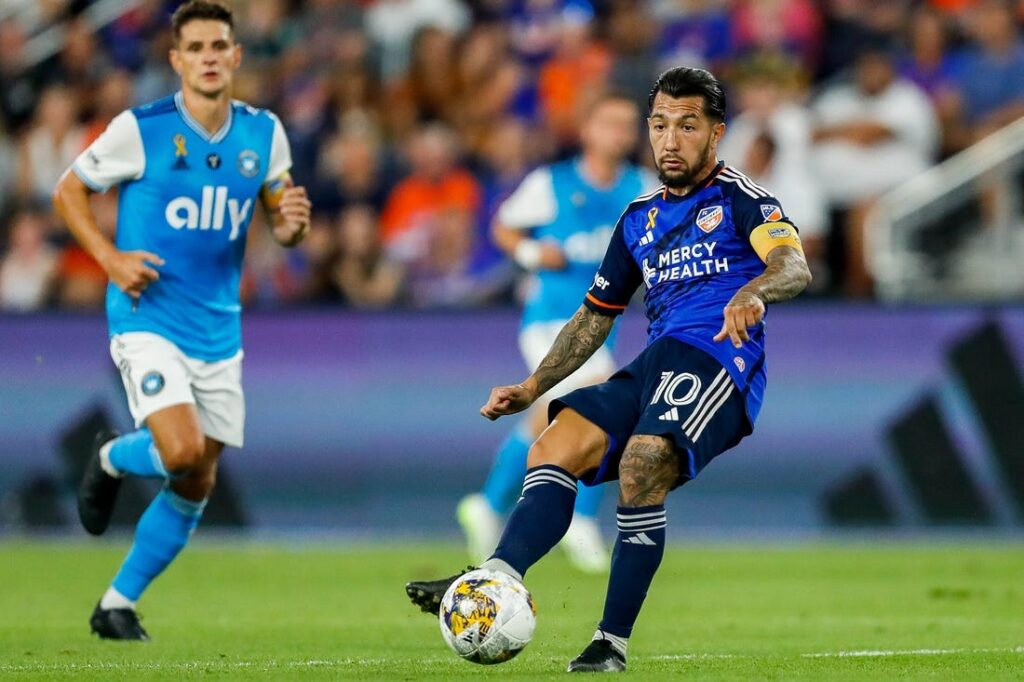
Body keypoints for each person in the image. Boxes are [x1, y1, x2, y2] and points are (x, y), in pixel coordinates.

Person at [405, 67, 811, 672]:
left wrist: (752, 291)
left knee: (644, 460)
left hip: (721, 361)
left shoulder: (743, 199)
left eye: (687, 126)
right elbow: (594, 316)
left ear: (717, 133)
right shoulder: (638, 218)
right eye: (659, 126)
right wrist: (533, 385)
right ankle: (493, 577)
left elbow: (793, 266)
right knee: (554, 442)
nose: (670, 141)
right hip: (657, 360)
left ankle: (610, 642)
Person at [52, 1, 311, 641]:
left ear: (236, 54)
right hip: (148, 319)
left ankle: (116, 603)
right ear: (176, 60)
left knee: (196, 479)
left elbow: (281, 215)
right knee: (181, 449)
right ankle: (112, 455)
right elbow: (68, 189)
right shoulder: (138, 130)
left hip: (219, 330)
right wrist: (109, 258)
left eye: (219, 45)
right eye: (195, 48)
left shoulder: (264, 133)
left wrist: (291, 225)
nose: (209, 57)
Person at [456, 91, 656, 573]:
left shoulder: (642, 186)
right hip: (551, 320)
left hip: (601, 326)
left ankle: (487, 504)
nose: (620, 133)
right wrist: (530, 254)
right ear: (586, 130)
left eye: (628, 125)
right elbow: (503, 227)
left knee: (548, 416)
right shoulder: (552, 183)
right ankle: (581, 520)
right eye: (610, 122)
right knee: (600, 404)